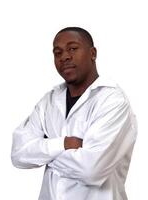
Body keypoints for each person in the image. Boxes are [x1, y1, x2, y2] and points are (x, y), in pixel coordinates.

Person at [11, 27, 137, 200]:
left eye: (72, 48)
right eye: (58, 52)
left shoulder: (113, 101)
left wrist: (43, 152)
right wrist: (63, 144)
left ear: (93, 53)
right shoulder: (48, 102)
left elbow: (91, 170)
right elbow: (18, 154)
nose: (64, 57)